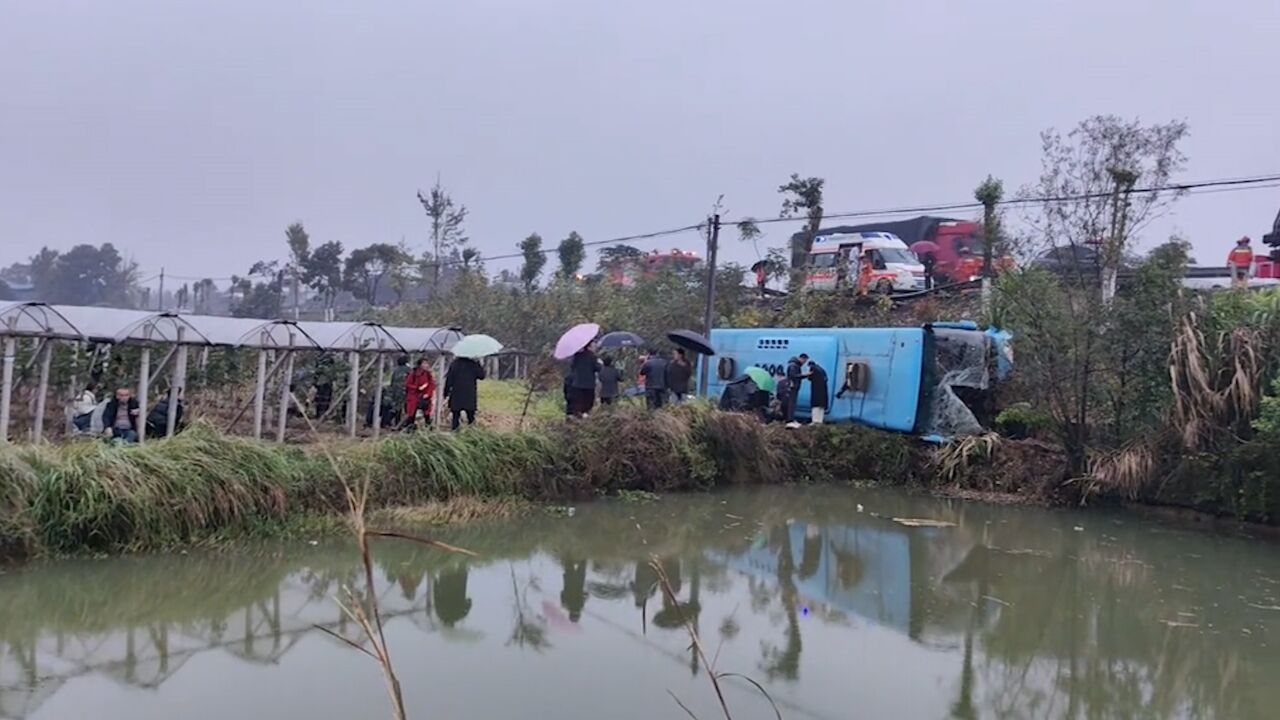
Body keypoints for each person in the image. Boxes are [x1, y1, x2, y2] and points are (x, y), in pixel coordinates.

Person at [443, 355, 486, 430]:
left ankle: (454, 433)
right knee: (471, 417)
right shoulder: (473, 364)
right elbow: (481, 376)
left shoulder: (454, 364)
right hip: (469, 395)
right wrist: (478, 364)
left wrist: (446, 392)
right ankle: (472, 434)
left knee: (455, 417)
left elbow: (449, 380)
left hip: (456, 394)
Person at [403, 358, 436, 430]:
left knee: (426, 413)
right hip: (413, 396)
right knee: (411, 414)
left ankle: (429, 428)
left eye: (426, 363)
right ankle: (410, 428)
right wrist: (417, 388)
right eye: (424, 363)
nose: (426, 365)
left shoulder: (428, 374)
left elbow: (431, 385)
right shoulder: (413, 373)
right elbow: (407, 384)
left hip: (424, 397)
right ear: (420, 365)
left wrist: (428, 394)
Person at [568, 345, 599, 417]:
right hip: (589, 383)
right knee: (588, 402)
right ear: (589, 346)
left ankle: (578, 415)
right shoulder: (592, 356)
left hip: (578, 383)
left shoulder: (577, 356)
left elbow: (572, 367)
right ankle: (585, 414)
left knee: (578, 402)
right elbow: (597, 368)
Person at [804, 357, 829, 424]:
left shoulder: (813, 369)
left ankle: (815, 421)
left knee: (815, 407)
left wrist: (808, 374)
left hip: (816, 392)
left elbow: (809, 378)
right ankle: (820, 421)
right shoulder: (822, 370)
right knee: (821, 407)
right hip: (823, 393)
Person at [386, 355, 410, 428]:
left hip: (396, 391)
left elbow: (392, 382)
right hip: (405, 391)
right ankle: (406, 424)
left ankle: (396, 422)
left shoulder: (395, 370)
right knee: (407, 408)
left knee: (397, 408)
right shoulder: (408, 369)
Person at [785, 356, 804, 425]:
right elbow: (793, 375)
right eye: (804, 361)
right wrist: (803, 375)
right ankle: (790, 420)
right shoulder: (793, 365)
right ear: (801, 358)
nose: (804, 363)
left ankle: (791, 419)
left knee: (792, 403)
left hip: (794, 386)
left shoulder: (795, 365)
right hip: (792, 387)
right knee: (791, 403)